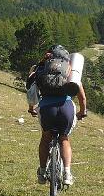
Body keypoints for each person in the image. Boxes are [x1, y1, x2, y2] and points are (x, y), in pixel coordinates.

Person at [26, 45, 87, 187]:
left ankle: (42, 172)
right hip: (66, 107)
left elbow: (31, 92)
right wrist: (82, 111)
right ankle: (67, 174)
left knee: (46, 138)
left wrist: (31, 108)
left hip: (47, 108)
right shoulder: (70, 69)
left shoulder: (40, 68)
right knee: (64, 138)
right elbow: (81, 97)